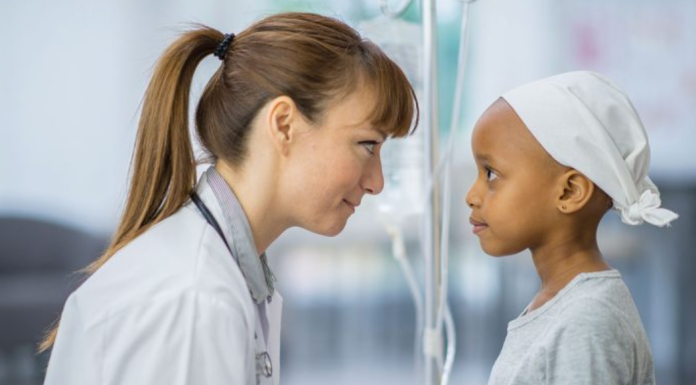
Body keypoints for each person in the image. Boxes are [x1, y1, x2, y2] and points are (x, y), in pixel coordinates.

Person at [41, 12, 418, 385]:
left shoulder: (218, 276)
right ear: (284, 125)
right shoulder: (194, 301)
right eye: (368, 144)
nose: (377, 183)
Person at [465, 71, 678, 385]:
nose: (471, 196)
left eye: (491, 173)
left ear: (569, 192)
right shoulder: (564, 306)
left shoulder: (587, 319)